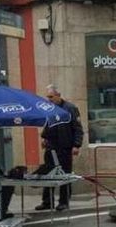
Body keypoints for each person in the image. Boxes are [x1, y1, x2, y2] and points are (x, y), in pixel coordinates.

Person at [36, 84, 83, 212]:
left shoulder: (70, 108)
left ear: (58, 95)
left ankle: (64, 201)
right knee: (48, 174)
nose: (49, 99)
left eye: (51, 97)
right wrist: (44, 138)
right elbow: (48, 125)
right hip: (51, 146)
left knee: (65, 175)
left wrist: (76, 145)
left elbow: (78, 128)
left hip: (65, 147)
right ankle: (47, 201)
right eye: (47, 97)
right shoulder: (49, 109)